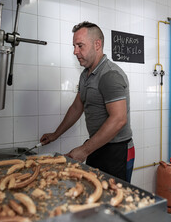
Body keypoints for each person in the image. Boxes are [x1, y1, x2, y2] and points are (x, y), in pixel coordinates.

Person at [40, 21, 134, 183]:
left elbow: (118, 119)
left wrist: (84, 150)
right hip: (96, 146)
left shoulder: (110, 75)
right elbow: (77, 106)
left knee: (115, 203)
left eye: (80, 46)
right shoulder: (85, 75)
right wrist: (55, 134)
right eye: (74, 46)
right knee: (94, 194)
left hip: (117, 151)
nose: (75, 52)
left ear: (97, 44)